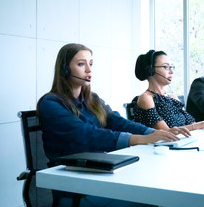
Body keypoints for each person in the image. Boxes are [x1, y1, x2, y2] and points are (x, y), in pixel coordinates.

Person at [37, 43, 178, 207]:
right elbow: (87, 134)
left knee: (158, 190)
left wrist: (152, 133)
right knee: (153, 201)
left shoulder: (92, 100)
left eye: (91, 64)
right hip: (77, 189)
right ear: (65, 69)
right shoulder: (50, 103)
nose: (89, 70)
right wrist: (139, 139)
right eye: (81, 64)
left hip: (101, 175)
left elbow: (117, 121)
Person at [132, 50, 204, 133]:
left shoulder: (172, 97)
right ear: (151, 70)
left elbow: (191, 122)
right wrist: (200, 125)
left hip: (183, 141)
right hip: (163, 145)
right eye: (166, 67)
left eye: (171, 67)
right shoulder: (146, 98)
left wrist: (202, 125)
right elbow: (166, 132)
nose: (171, 72)